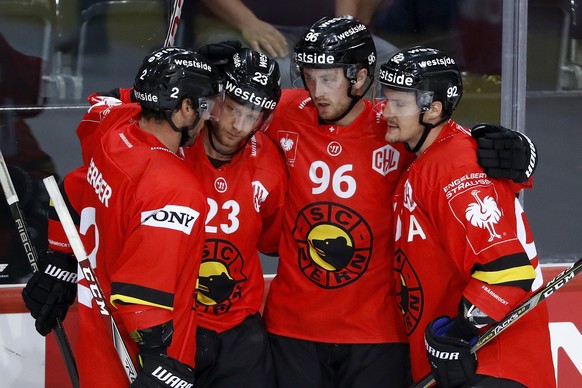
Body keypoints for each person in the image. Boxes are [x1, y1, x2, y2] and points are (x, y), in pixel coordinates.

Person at [254, 15, 539, 388]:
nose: (316, 90)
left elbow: (457, 157)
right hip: (293, 327)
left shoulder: (396, 131)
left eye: (329, 78)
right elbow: (214, 122)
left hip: (378, 332)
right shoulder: (288, 113)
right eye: (309, 76)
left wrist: (519, 158)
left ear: (359, 77)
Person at [22, 47, 224, 387]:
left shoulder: (113, 131)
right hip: (134, 359)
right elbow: (141, 292)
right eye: (204, 107)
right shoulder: (174, 188)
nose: (207, 120)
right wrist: (162, 360)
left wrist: (61, 257)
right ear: (185, 109)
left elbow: (73, 187)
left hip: (96, 336)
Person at [375, 45, 554, 387]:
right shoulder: (431, 156)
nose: (385, 112)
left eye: (399, 104)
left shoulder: (454, 167)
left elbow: (508, 271)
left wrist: (459, 333)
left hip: (493, 368)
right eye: (387, 99)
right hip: (464, 369)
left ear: (433, 110)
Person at [187, 47, 287, 387]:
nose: (239, 125)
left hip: (239, 331)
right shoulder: (173, 145)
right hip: (174, 325)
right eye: (232, 109)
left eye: (252, 115)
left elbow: (271, 241)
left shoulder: (271, 164)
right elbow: (117, 108)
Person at [196, 0, 398, 87]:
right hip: (243, 26)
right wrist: (247, 22)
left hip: (321, 29)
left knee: (392, 63)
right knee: (286, 76)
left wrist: (342, 28)